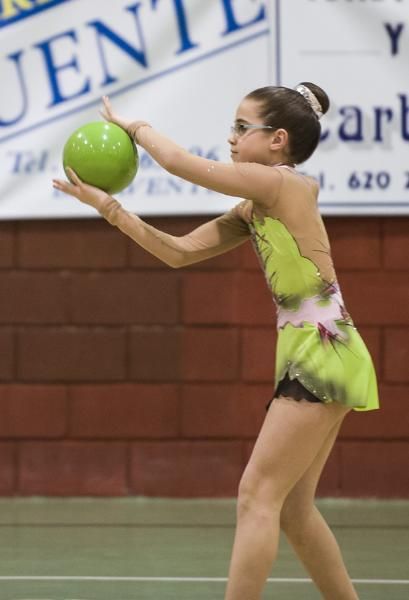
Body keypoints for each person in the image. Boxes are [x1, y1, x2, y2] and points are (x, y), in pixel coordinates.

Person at [53, 83, 379, 600]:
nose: (230, 138)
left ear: (277, 140)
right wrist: (109, 208)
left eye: (240, 128)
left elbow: (182, 164)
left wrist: (135, 129)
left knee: (256, 495)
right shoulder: (255, 207)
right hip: (320, 352)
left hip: (324, 352)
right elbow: (179, 252)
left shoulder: (285, 186)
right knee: (292, 510)